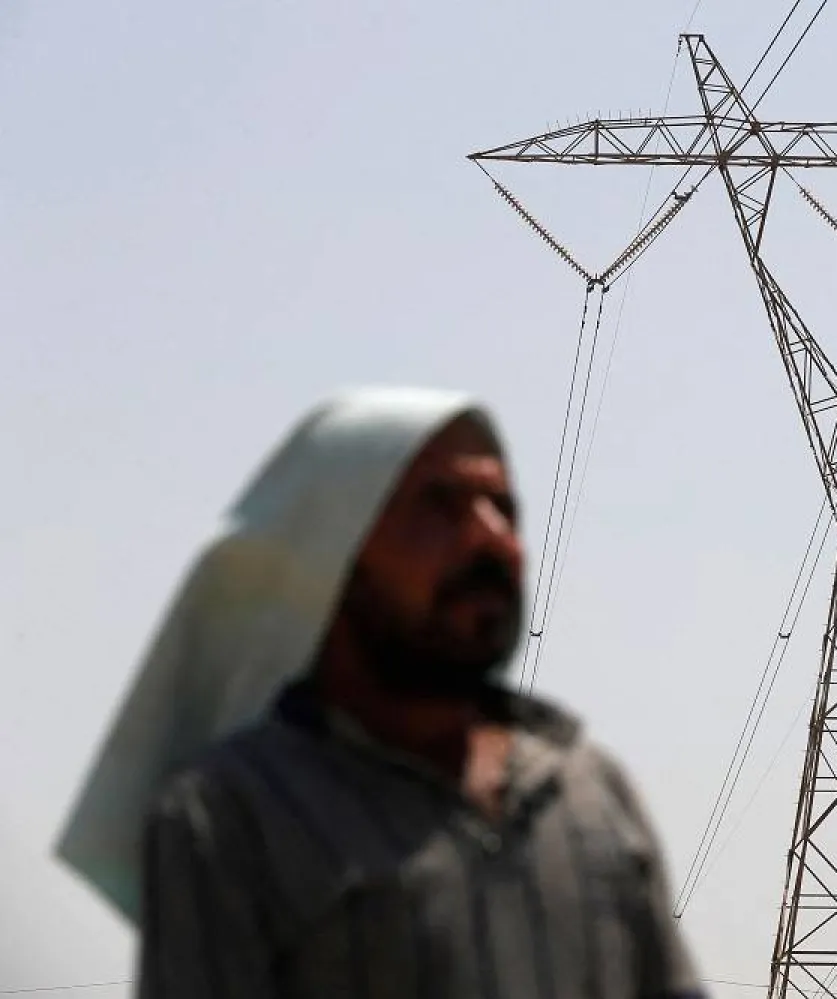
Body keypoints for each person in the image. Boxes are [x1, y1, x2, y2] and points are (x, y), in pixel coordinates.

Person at [54, 387, 702, 999]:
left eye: (503, 506)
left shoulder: (591, 795)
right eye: (438, 506)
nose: (489, 537)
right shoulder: (231, 817)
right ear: (333, 553)